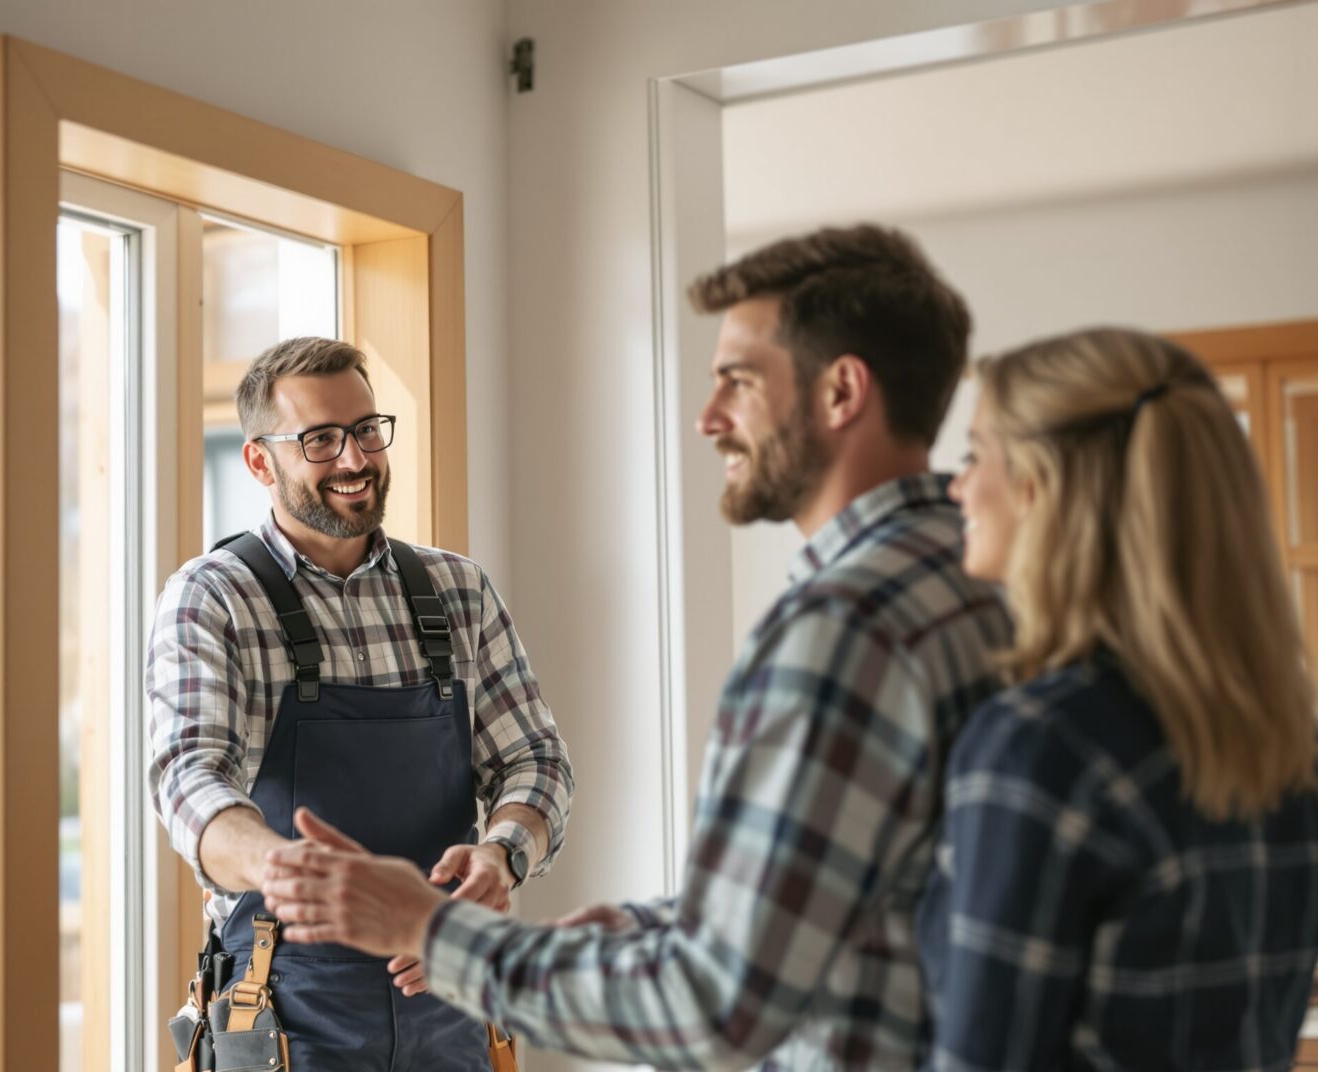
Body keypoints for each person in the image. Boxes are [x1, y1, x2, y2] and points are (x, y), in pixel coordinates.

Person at [262, 224, 1013, 1068]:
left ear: (841, 392)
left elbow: (711, 1009)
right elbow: (851, 888)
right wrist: (650, 926)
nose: (708, 418)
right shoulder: (981, 577)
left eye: (737, 380)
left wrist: (424, 925)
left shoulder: (839, 630)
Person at [917, 326, 1318, 1070]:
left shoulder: (1038, 746)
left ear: (1038, 486)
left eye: (973, 455)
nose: (956, 487)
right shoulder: (1290, 749)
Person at [146, 336, 574, 1071]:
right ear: (259, 461)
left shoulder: (456, 590)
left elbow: (534, 759)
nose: (354, 460)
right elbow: (187, 777)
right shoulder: (213, 597)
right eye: (320, 440)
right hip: (286, 1012)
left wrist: (502, 858)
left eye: (367, 431)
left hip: (450, 994)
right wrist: (290, 870)